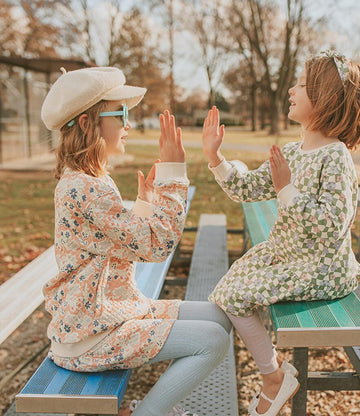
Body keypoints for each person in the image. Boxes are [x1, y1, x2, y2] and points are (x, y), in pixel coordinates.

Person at [41, 66, 231, 416]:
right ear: (87, 124)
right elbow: (157, 247)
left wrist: (143, 206)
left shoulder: (89, 180)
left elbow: (117, 243)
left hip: (108, 315)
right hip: (90, 336)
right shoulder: (86, 187)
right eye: (122, 114)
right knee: (213, 341)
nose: (129, 124)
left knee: (220, 316)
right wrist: (174, 174)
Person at [201, 50, 360, 416]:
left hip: (320, 267)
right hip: (287, 254)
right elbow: (246, 188)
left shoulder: (336, 157)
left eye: (302, 84)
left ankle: (273, 377)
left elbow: (331, 226)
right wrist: (216, 159)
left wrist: (286, 190)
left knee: (235, 297)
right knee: (226, 291)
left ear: (324, 99)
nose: (292, 90)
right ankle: (273, 367)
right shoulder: (294, 152)